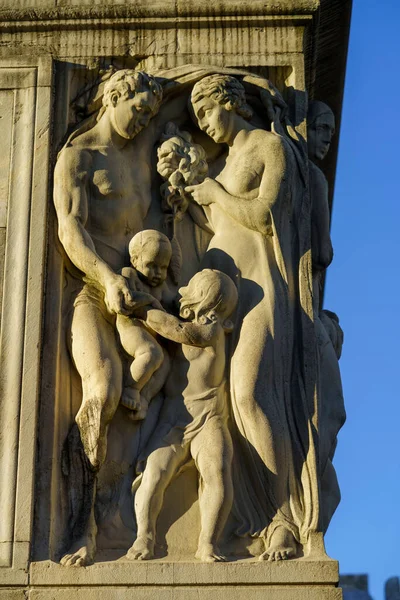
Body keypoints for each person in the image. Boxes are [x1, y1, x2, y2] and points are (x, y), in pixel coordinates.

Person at [186, 74, 317, 561]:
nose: (203, 124)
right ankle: (253, 517)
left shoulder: (268, 146)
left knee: (251, 394)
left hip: (262, 288)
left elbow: (266, 217)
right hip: (219, 294)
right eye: (196, 116)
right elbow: (221, 224)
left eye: (206, 112)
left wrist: (215, 194)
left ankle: (283, 519)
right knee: (227, 405)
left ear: (231, 102)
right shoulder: (220, 164)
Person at [53, 69, 163, 567]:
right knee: (101, 389)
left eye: (149, 115)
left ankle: (110, 510)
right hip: (93, 294)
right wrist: (107, 278)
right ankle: (79, 526)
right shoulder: (78, 158)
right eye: (138, 110)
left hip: (145, 300)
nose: (143, 122)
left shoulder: (144, 157)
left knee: (139, 407)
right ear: (112, 97)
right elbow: (71, 232)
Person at [126, 269, 237, 563]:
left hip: (209, 417)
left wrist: (142, 306)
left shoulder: (210, 330)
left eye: (192, 288)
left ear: (204, 299)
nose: (183, 290)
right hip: (174, 419)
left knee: (217, 471)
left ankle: (208, 544)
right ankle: (144, 537)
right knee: (153, 474)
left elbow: (179, 331)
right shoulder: (185, 329)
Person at [117, 230, 174, 419]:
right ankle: (131, 387)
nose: (158, 273)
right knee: (152, 353)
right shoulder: (129, 274)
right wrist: (152, 301)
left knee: (164, 364)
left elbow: (172, 303)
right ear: (134, 260)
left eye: (163, 267)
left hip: (152, 333)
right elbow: (129, 299)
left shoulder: (161, 287)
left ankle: (145, 398)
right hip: (131, 327)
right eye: (152, 265)